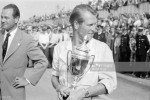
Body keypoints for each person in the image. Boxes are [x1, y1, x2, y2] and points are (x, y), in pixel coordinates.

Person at [51, 4, 117, 100]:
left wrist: (82, 93)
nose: (94, 29)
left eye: (95, 25)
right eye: (90, 25)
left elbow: (109, 82)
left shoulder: (102, 49)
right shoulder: (59, 48)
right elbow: (54, 76)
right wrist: (59, 87)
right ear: (76, 24)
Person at [0, 4, 48, 100]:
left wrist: (28, 79)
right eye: (1, 17)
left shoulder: (26, 39)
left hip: (13, 94)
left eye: (6, 18)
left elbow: (43, 61)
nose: (2, 20)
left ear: (16, 19)